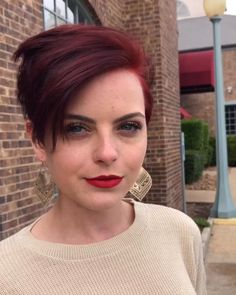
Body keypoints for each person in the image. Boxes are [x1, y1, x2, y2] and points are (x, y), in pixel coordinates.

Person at [0, 25, 207, 295]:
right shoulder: (7, 273)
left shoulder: (179, 233)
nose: (107, 153)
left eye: (128, 126)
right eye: (76, 128)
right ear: (38, 139)